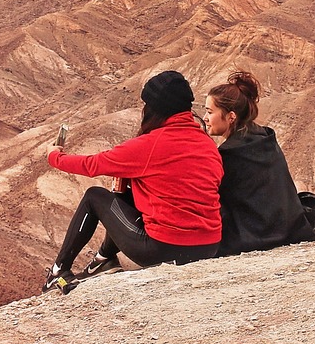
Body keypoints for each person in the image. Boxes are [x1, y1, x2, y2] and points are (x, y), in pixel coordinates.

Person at [42, 70, 223, 293]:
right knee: (126, 190)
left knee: (94, 197)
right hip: (209, 246)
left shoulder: (151, 144)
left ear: (155, 109)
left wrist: (54, 156)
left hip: (166, 249)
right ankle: (103, 260)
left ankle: (58, 271)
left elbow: (92, 165)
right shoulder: (207, 144)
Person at [203, 71, 315, 257]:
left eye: (209, 112)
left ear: (231, 116)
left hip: (254, 235)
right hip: (287, 226)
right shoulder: (264, 137)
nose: (205, 118)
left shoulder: (231, 153)